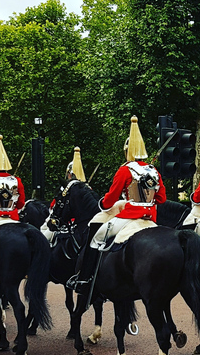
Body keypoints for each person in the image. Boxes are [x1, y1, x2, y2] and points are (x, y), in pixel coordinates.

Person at [67, 116, 165, 295]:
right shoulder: (154, 170)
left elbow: (110, 199)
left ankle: (85, 278)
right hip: (151, 217)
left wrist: (103, 204)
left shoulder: (125, 170)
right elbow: (162, 198)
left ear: (127, 151)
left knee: (97, 238)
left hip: (130, 215)